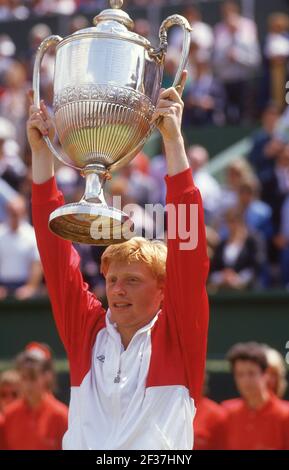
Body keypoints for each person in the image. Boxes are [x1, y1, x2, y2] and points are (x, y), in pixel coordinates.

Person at [27, 70, 210, 450]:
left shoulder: (179, 334)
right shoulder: (88, 332)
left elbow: (189, 248)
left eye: (132, 280)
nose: (117, 290)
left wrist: (173, 140)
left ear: (163, 290)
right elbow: (54, 252)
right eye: (112, 280)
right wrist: (41, 153)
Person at [222, 342, 289, 450]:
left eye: (251, 373)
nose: (245, 381)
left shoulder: (285, 415)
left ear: (265, 374)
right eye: (240, 374)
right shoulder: (226, 412)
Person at [2, 349, 68, 450]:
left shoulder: (61, 416)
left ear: (47, 377)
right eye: (24, 378)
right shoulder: (8, 415)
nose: (28, 385)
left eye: (33, 378)